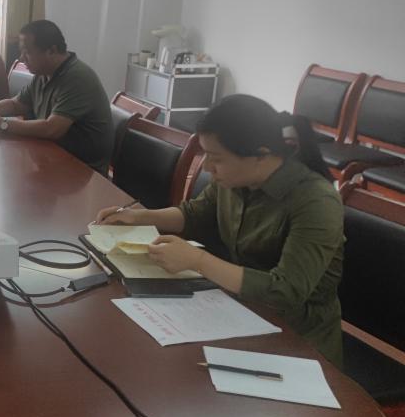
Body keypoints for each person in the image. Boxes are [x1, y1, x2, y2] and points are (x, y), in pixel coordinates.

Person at [95, 94, 344, 366]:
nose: (206, 167)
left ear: (260, 155)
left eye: (216, 158)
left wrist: (197, 260)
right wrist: (137, 217)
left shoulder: (316, 202)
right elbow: (195, 214)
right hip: (237, 311)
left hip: (297, 340)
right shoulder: (236, 179)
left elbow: (286, 291)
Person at [0, 19, 113, 174]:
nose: (21, 58)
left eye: (27, 52)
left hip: (83, 171)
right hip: (51, 156)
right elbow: (15, 104)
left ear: (51, 50)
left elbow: (52, 129)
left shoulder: (77, 78)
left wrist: (2, 124)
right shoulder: (43, 74)